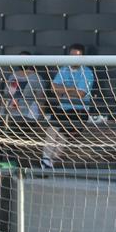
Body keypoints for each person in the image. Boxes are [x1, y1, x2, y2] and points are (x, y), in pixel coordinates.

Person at [42, 43, 96, 172]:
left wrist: (63, 90)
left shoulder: (87, 72)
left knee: (62, 134)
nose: (73, 59)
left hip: (79, 110)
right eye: (71, 55)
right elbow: (53, 88)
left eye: (77, 56)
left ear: (82, 57)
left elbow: (81, 94)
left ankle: (48, 163)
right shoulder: (64, 69)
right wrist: (71, 89)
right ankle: (46, 160)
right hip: (63, 108)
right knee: (52, 130)